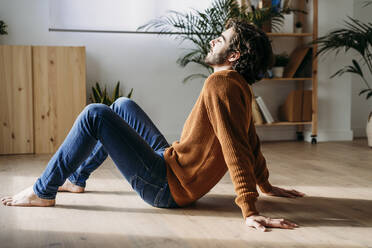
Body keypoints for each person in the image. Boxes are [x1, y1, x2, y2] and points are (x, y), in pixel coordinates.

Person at [1, 18, 305, 232]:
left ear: (234, 55)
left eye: (221, 39)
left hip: (166, 188)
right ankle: (78, 179)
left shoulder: (220, 85)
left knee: (95, 113)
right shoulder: (238, 86)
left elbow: (235, 147)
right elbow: (250, 139)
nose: (214, 40)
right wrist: (264, 184)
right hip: (173, 164)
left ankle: (43, 191)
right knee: (122, 105)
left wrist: (250, 208)